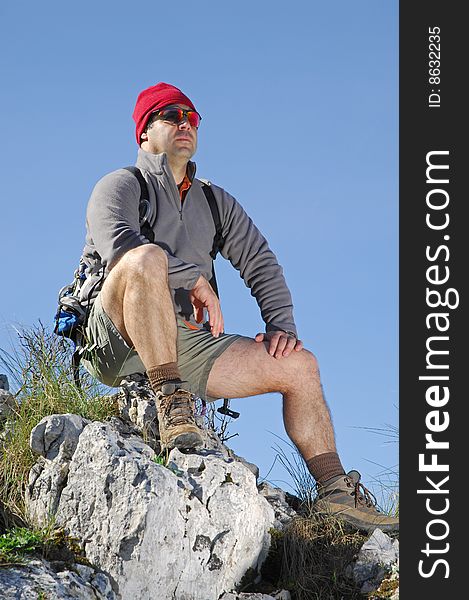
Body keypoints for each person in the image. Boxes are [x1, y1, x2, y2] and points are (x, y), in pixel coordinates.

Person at [77, 82, 398, 534]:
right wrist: (193, 279)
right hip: (113, 332)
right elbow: (119, 247)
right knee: (144, 257)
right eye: (171, 115)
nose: (185, 123)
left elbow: (260, 260)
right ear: (145, 132)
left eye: (192, 117)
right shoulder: (121, 185)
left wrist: (280, 324)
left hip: (183, 339)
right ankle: (173, 404)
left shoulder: (213, 200)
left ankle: (336, 495)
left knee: (301, 366)